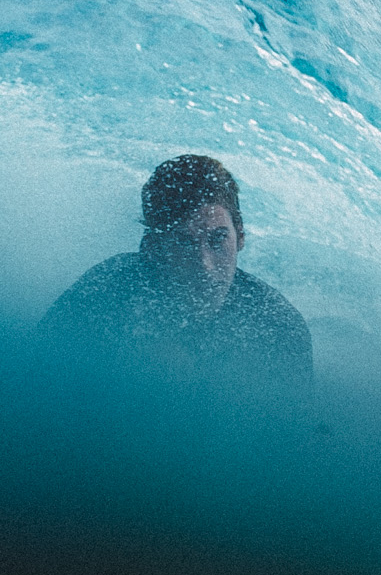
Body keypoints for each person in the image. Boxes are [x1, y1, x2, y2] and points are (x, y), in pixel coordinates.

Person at [39, 155, 311, 399]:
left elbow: (290, 438)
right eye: (185, 242)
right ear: (152, 248)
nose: (205, 266)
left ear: (240, 235)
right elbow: (30, 393)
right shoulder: (102, 298)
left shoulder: (278, 328)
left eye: (218, 239)